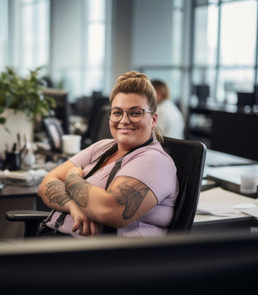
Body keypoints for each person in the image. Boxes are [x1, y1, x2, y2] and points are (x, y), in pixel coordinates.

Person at [37, 71, 178, 238]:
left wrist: (71, 178)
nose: (124, 120)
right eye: (117, 112)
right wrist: (74, 208)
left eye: (135, 113)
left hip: (100, 258)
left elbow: (109, 210)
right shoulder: (102, 147)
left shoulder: (153, 161)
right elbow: (46, 183)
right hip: (54, 238)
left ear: (154, 120)